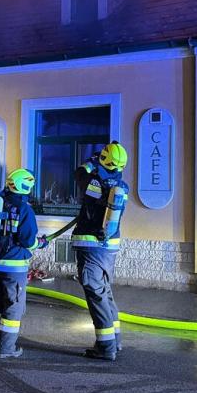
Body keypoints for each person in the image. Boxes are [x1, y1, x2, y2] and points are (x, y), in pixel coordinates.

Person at [71, 141, 129, 361]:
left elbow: (79, 175)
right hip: (109, 248)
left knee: (96, 295)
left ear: (103, 159)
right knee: (104, 293)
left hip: (91, 247)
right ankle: (115, 339)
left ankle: (105, 347)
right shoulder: (121, 185)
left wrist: (90, 162)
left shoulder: (96, 183)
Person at [0, 168, 47, 359]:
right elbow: (28, 240)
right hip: (14, 266)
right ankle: (6, 349)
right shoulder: (24, 209)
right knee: (13, 307)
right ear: (26, 187)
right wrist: (42, 243)